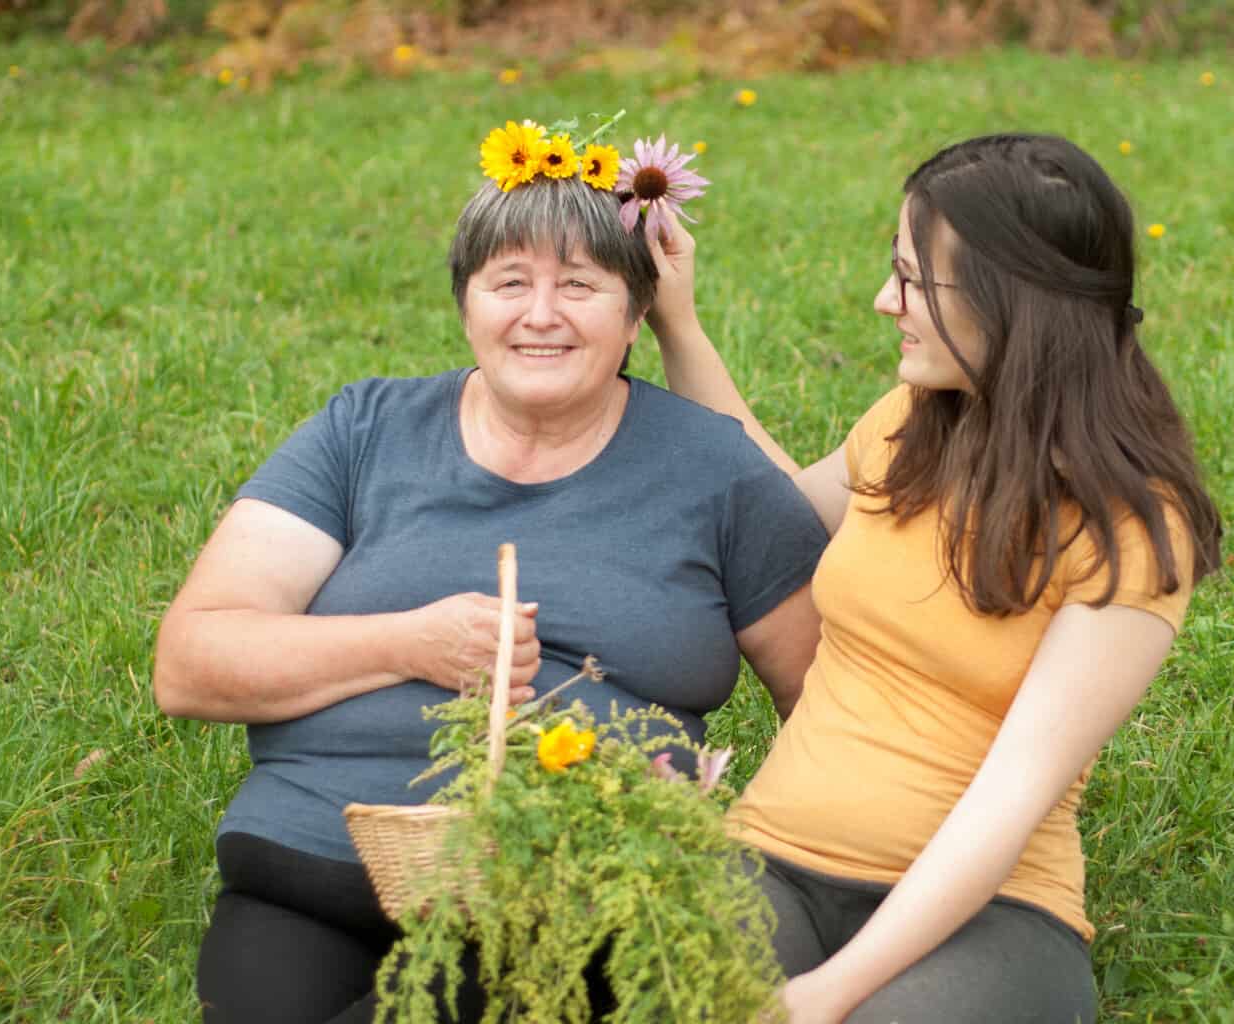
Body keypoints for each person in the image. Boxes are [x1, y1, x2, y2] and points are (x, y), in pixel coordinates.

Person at [153, 123, 826, 1024]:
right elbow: (191, 662)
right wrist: (411, 644)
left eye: (580, 286)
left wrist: (706, 846)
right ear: (466, 305)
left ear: (636, 314)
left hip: (560, 896)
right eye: (509, 282)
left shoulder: (717, 472)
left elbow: (828, 707)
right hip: (309, 864)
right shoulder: (366, 431)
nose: (540, 314)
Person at [643, 132, 1223, 1023]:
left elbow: (1016, 788)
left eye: (915, 280)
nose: (886, 302)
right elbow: (772, 511)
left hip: (991, 914)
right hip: (772, 862)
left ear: (1013, 300)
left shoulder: (1133, 526)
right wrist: (676, 323)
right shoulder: (914, 422)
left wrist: (823, 998)